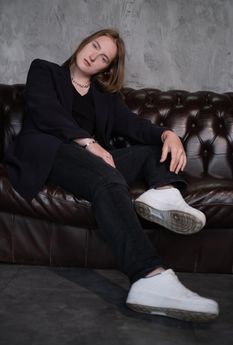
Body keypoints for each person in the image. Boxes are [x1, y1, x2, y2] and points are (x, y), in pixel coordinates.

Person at [4, 28, 219, 322]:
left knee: (149, 150)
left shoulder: (104, 97)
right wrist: (89, 143)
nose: (94, 56)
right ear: (84, 42)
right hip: (49, 152)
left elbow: (131, 124)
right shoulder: (45, 71)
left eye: (104, 57)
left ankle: (164, 194)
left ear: (107, 67)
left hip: (85, 160)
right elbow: (44, 112)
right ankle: (149, 276)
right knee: (108, 177)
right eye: (94, 46)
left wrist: (167, 133)